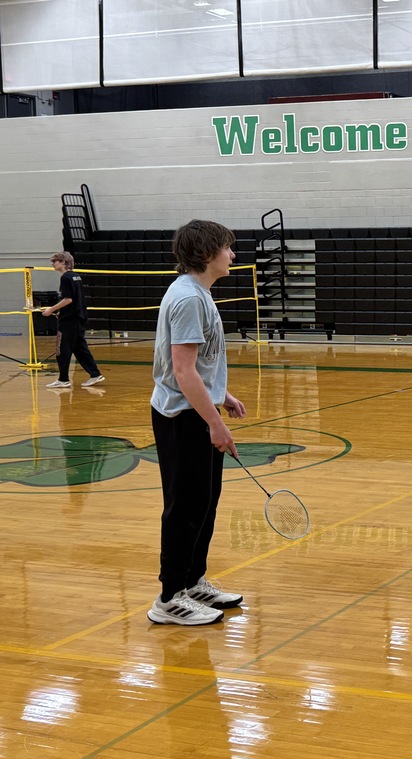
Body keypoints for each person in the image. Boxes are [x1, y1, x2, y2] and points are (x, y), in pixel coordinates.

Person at [147, 219, 247, 626]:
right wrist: (215, 423)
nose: (232, 255)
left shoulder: (198, 293)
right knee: (185, 507)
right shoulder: (189, 298)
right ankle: (169, 597)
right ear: (207, 253)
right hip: (182, 417)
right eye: (227, 248)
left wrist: (222, 395)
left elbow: (198, 366)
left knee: (204, 502)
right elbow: (183, 370)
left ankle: (191, 581)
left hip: (196, 411)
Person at [42, 251, 104, 389]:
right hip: (79, 317)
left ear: (63, 262)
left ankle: (63, 379)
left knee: (62, 349)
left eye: (55, 261)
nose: (52, 264)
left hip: (69, 320)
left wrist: (51, 309)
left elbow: (68, 299)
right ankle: (95, 374)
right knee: (80, 349)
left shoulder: (65, 278)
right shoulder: (76, 276)